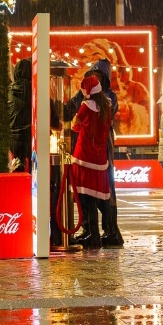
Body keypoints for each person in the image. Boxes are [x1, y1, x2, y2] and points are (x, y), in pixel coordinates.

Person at [64, 59, 124, 246]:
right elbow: (68, 111)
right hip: (87, 147)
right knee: (87, 192)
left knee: (103, 191)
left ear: (104, 79)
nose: (95, 79)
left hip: (101, 149)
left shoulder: (108, 97)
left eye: (98, 76)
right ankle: (91, 230)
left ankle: (110, 231)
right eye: (92, 76)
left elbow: (85, 119)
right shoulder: (86, 96)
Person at [69, 75, 113, 248]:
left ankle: (91, 233)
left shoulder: (85, 106)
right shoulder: (107, 106)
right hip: (100, 158)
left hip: (83, 157)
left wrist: (74, 122)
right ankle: (103, 232)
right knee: (96, 197)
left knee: (84, 197)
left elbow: (75, 126)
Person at [7, 59, 32, 172]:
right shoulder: (35, 90)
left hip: (12, 142)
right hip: (30, 140)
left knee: (16, 173)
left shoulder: (9, 91)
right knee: (33, 175)